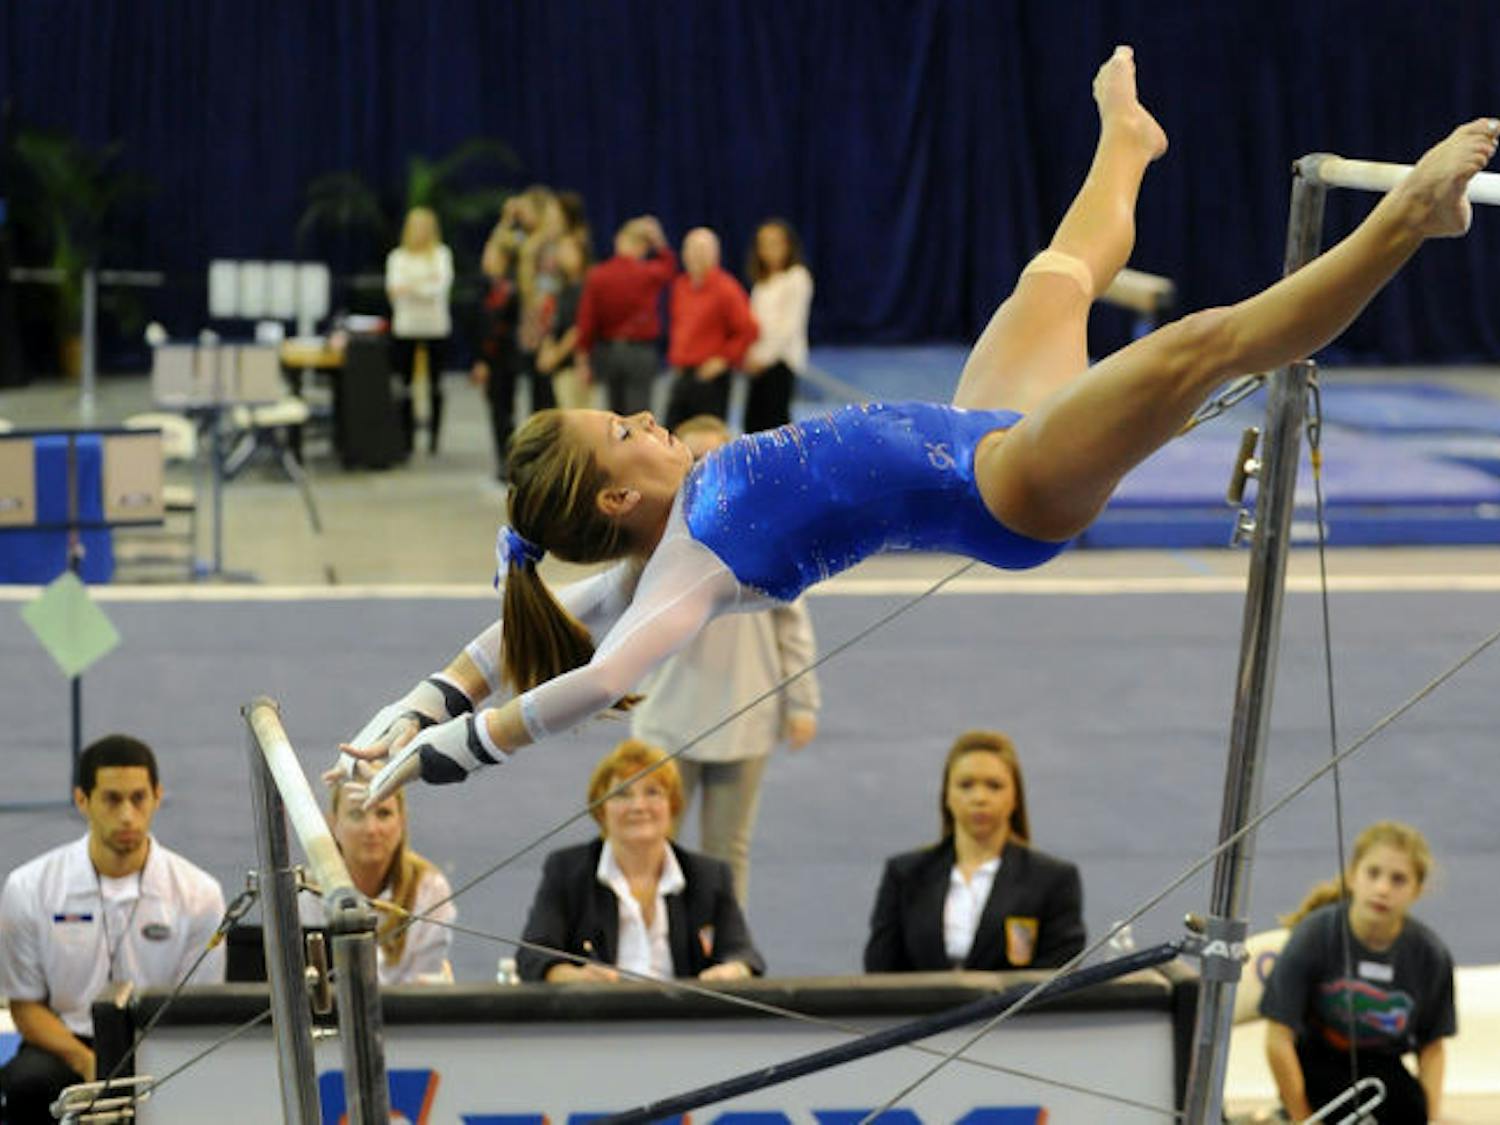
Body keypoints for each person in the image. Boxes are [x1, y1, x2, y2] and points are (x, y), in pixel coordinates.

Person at [345, 51, 1498, 819]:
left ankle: (1127, 142)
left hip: (973, 425)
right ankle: (1410, 217)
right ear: (615, 499)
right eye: (624, 431)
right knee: (1199, 345)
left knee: (1057, 276)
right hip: (1008, 488)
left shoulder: (658, 537)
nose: (645, 418)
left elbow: (522, 627)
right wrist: (465, 748)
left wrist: (419, 704)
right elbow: (597, 675)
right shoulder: (684, 571)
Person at [630, 414, 820, 902]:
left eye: (718, 455)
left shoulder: (770, 534)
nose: (707, 465)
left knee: (727, 850)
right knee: (652, 844)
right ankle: (652, 935)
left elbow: (792, 627)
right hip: (665, 717)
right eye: (696, 457)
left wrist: (802, 703)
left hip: (745, 712)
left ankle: (726, 938)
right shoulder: (650, 537)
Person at [0, 736, 225, 1122]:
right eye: (112, 799)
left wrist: (144, 1065)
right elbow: (25, 1006)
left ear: (157, 796)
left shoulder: (199, 894)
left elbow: (197, 1010)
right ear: (82, 800)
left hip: (159, 1043)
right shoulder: (30, 887)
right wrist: (85, 1061)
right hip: (67, 1044)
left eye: (138, 798)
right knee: (25, 1083)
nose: (127, 816)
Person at [515, 739, 765, 983]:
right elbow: (532, 955)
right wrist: (575, 977)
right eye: (622, 794)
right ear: (601, 809)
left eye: (652, 792)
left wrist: (734, 971)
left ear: (672, 805)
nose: (638, 806)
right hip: (598, 1009)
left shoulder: (709, 875)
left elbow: (742, 952)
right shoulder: (567, 870)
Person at [1259, 822, 1455, 1124]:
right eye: (1373, 874)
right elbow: (1278, 1038)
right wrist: (1303, 1118)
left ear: (1417, 890)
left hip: (1382, 1065)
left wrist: (1430, 1117)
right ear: (1352, 876)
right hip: (1318, 1059)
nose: (1383, 889)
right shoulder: (1314, 935)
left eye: (1398, 879)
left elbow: (1432, 1048)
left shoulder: (1430, 955)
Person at [863, 730, 1084, 972]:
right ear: (947, 795)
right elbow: (880, 971)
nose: (979, 798)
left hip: (1020, 1000)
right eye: (966, 785)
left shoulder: (1052, 880)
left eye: (994, 786)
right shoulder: (905, 875)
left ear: (1015, 797)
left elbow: (1060, 974)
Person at [301, 782, 456, 985]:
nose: (371, 829)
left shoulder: (430, 890)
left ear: (402, 821)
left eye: (383, 814)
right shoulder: (305, 894)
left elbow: (423, 991)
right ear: (333, 824)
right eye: (357, 815)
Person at [575, 216, 678, 416]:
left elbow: (587, 321)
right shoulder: (647, 273)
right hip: (640, 353)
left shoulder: (598, 275)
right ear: (643, 247)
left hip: (608, 352)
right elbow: (669, 266)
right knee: (639, 415)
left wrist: (583, 360)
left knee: (615, 416)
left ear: (619, 240)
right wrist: (659, 240)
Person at [662, 227, 759, 429]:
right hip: (682, 374)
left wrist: (723, 360)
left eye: (702, 250)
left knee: (707, 435)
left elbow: (748, 330)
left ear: (715, 255)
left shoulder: (726, 288)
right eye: (691, 249)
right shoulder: (681, 285)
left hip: (710, 379)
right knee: (672, 432)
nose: (695, 256)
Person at [385, 206, 455, 455]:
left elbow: (438, 289)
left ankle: (434, 437)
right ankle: (406, 436)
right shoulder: (397, 257)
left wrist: (412, 286)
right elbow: (395, 290)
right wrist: (424, 283)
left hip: (435, 326)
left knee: (435, 384)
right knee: (405, 385)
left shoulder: (441, 254)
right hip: (406, 326)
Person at [742, 218, 814, 432]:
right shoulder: (762, 283)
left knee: (776, 425)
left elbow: (788, 326)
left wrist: (765, 358)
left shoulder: (797, 277)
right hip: (758, 362)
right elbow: (755, 324)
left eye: (775, 244)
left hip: (781, 361)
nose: (769, 250)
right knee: (752, 425)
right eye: (763, 245)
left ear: (788, 246)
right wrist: (751, 354)